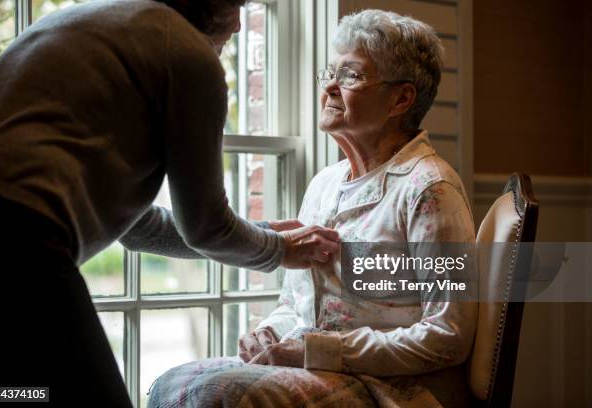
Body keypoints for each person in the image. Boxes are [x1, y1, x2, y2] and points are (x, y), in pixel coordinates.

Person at [0, 0, 339, 406]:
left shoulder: (85, 25)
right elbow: (207, 227)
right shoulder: (187, 54)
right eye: (235, 6)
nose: (239, 26)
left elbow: (138, 228)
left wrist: (268, 233)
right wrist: (281, 250)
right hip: (14, 244)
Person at [148, 9, 477, 408]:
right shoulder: (324, 184)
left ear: (401, 98)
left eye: (351, 75)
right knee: (173, 383)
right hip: (322, 374)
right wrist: (270, 332)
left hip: (394, 389)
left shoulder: (430, 190)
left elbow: (449, 334)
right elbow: (296, 306)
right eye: (330, 74)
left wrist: (320, 351)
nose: (331, 88)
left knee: (214, 396)